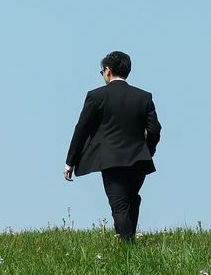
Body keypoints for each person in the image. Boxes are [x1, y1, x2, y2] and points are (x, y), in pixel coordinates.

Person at [64, 51, 161, 241]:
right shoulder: (144, 97)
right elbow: (155, 130)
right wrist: (148, 151)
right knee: (132, 199)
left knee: (119, 204)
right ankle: (129, 242)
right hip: (139, 158)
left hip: (110, 159)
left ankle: (126, 248)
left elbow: (81, 130)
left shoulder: (96, 96)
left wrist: (70, 162)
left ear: (108, 70)